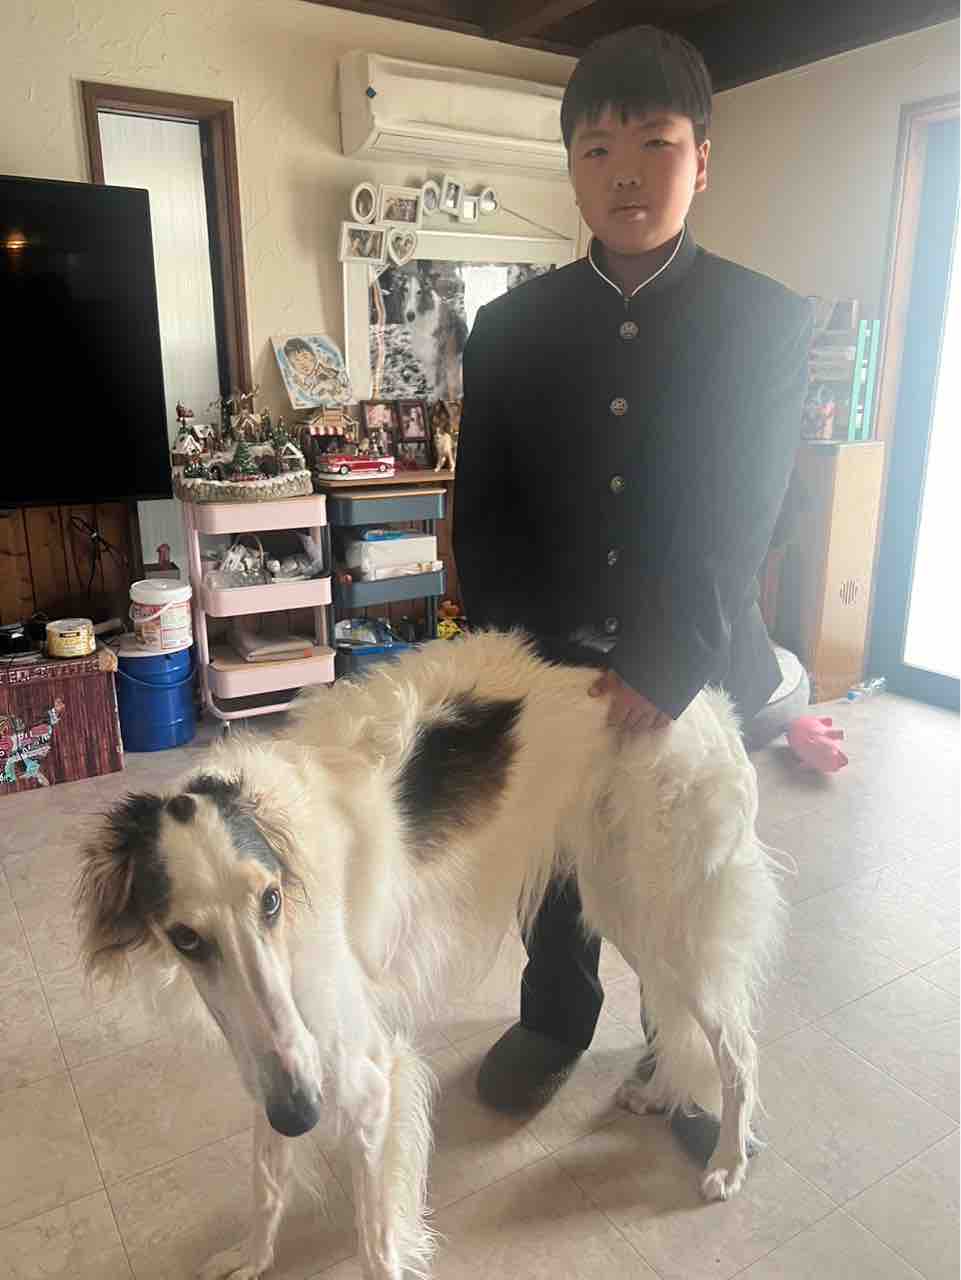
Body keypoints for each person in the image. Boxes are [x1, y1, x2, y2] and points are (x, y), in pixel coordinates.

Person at [452, 26, 812, 1160]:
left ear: (701, 158)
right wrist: (516, 666)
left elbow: (747, 512)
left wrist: (664, 661)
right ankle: (554, 1018)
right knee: (555, 860)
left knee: (679, 874)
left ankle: (684, 1052)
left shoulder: (765, 319)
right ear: (570, 166)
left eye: (654, 143)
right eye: (596, 147)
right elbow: (484, 511)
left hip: (691, 662)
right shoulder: (509, 328)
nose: (624, 173)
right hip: (547, 659)